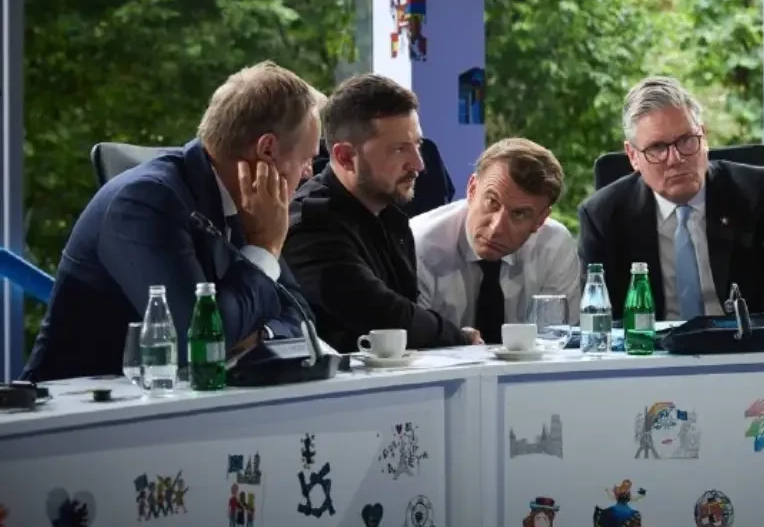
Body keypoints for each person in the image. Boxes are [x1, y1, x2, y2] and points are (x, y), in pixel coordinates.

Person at [22, 61, 321, 382]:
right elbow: (197, 344)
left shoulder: (250, 205)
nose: (310, 173)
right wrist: (263, 247)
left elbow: (301, 317)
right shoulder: (145, 201)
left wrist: (258, 336)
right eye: (306, 159)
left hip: (174, 399)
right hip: (79, 405)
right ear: (267, 150)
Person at [577, 77, 764, 335]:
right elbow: (599, 317)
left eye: (687, 140)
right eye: (657, 147)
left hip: (746, 345)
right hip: (652, 351)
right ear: (633, 156)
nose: (675, 159)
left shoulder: (755, 190)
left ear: (704, 136)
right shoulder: (603, 214)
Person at [283, 74, 481, 352]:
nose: (418, 164)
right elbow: (385, 317)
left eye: (417, 145)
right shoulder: (310, 226)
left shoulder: (390, 215)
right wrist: (457, 336)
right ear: (345, 157)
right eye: (399, 149)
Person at [411, 138, 581, 343]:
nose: (496, 228)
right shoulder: (418, 243)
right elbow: (410, 345)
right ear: (472, 189)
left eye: (519, 214)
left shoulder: (554, 246)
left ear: (540, 220)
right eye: (492, 202)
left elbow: (555, 344)